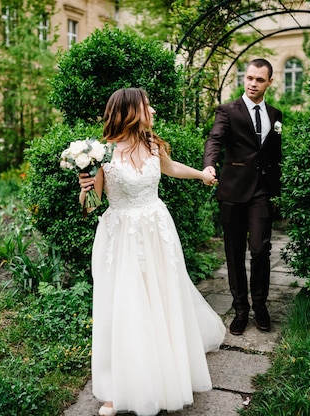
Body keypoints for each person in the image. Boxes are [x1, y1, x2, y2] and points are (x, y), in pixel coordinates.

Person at [78, 88, 226, 416]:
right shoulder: (101, 154)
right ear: (131, 111)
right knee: (124, 307)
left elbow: (171, 169)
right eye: (148, 105)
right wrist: (85, 187)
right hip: (122, 238)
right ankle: (115, 389)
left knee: (160, 301)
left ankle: (163, 377)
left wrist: (202, 174)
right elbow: (91, 206)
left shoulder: (152, 145)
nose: (154, 110)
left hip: (157, 232)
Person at [202, 58, 283, 336]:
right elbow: (214, 139)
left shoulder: (275, 114)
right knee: (234, 252)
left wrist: (279, 186)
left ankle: (260, 305)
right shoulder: (227, 111)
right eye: (249, 78)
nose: (252, 83)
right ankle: (240, 309)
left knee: (261, 249)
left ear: (269, 82)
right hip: (233, 191)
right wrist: (209, 164)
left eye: (259, 80)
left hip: (262, 192)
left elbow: (274, 154)